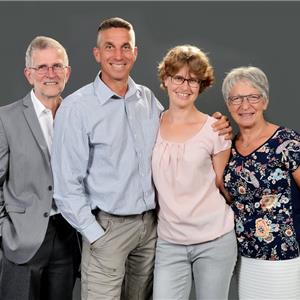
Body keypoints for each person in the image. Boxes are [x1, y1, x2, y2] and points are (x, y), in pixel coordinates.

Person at [51, 17, 231, 300]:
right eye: (110, 47)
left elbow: (180, 131)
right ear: (97, 54)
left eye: (126, 47)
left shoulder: (147, 100)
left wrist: (217, 124)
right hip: (107, 227)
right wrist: (94, 233)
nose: (118, 55)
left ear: (135, 53)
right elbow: (65, 184)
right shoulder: (77, 108)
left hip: (151, 230)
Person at [151, 45, 237, 300]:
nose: (185, 86)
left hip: (214, 240)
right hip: (169, 242)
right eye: (178, 78)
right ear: (166, 80)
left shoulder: (215, 130)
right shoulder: (150, 123)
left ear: (202, 85)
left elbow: (224, 187)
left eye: (193, 81)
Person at [0, 36, 80, 300]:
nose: (50, 74)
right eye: (42, 67)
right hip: (23, 239)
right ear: (28, 74)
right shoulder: (5, 119)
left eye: (57, 66)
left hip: (68, 236)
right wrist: (6, 230)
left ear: (67, 72)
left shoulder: (79, 116)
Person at [222, 66, 300, 299]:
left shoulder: (287, 142)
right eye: (236, 98)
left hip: (283, 253)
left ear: (264, 101)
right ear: (228, 104)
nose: (245, 106)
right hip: (243, 256)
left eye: (253, 97)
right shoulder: (227, 147)